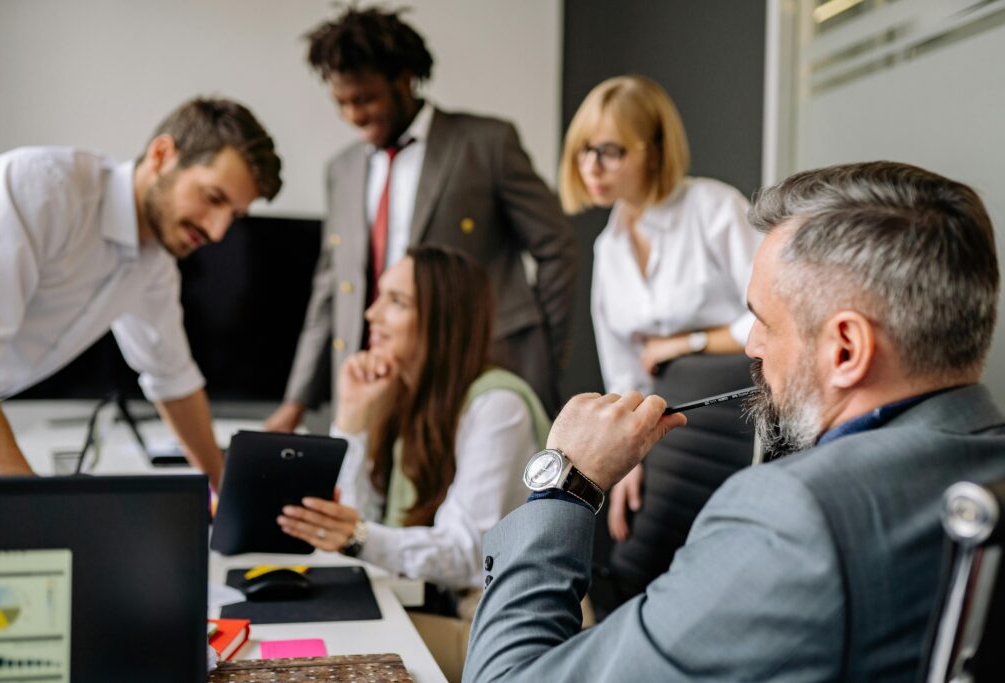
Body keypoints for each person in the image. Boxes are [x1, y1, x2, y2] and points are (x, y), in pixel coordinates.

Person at [463, 161, 1005, 682]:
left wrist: (564, 485)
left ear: (845, 349)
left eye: (764, 322)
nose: (751, 345)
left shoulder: (792, 519)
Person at [264, 6, 576, 431]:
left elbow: (556, 245)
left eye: (366, 99)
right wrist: (294, 401)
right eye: (342, 103)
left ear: (404, 80)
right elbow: (330, 290)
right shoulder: (342, 169)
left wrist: (540, 350)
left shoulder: (486, 143)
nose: (354, 115)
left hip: (477, 375)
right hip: (379, 379)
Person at [277, 245, 548, 680]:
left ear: (444, 322)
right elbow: (361, 522)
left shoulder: (498, 407)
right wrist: (351, 420)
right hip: (438, 602)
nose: (372, 314)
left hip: (499, 626)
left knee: (318, 654)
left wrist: (356, 536)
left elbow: (468, 554)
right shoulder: (409, 397)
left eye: (396, 302)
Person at [0, 98, 283, 489]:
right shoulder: (42, 189)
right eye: (213, 198)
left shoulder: (154, 265)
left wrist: (221, 487)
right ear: (162, 154)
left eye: (234, 216)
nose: (218, 232)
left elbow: (174, 379)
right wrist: (31, 505)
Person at [559, 74, 760, 542]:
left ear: (651, 149)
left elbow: (774, 315)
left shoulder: (713, 208)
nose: (592, 166)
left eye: (610, 151)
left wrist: (688, 343)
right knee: (635, 547)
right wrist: (627, 459)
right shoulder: (609, 246)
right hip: (668, 424)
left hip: (740, 414)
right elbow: (623, 369)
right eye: (584, 150)